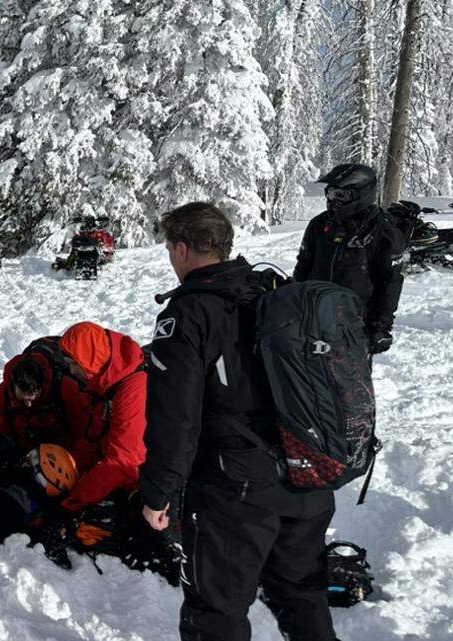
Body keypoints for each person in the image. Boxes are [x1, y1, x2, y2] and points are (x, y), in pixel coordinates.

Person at [142, 202, 336, 641]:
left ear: (183, 250)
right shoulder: (274, 290)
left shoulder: (189, 314)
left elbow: (176, 420)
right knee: (302, 594)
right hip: (308, 473)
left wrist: (158, 494)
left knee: (216, 609)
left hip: (238, 489)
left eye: (172, 248)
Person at [0, 322, 147, 545]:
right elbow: (91, 438)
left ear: (91, 360)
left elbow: (121, 462)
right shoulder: (105, 386)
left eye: (74, 365)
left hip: (127, 481)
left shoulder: (128, 391)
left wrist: (72, 498)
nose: (73, 371)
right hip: (39, 464)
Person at [294, 164, 405, 354]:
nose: (334, 200)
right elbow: (304, 265)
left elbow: (390, 282)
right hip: (313, 318)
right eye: (331, 193)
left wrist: (380, 326)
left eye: (342, 195)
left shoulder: (382, 231)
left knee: (348, 378)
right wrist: (293, 301)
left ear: (362, 194)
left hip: (354, 324)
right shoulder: (319, 225)